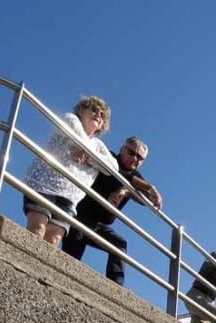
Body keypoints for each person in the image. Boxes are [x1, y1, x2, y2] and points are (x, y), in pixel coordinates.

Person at [62, 137, 163, 285]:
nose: (134, 158)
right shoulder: (109, 157)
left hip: (98, 224)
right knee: (69, 260)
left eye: (139, 158)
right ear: (122, 149)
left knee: (119, 244)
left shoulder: (137, 177)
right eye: (131, 152)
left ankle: (115, 288)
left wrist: (125, 191)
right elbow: (118, 173)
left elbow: (148, 200)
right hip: (80, 216)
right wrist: (148, 187)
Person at [23, 96, 118, 245]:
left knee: (53, 239)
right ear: (81, 110)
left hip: (69, 197)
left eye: (102, 115)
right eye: (94, 109)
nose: (98, 115)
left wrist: (87, 155)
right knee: (37, 227)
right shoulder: (70, 118)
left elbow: (112, 168)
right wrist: (90, 154)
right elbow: (73, 131)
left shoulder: (97, 145)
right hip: (43, 184)